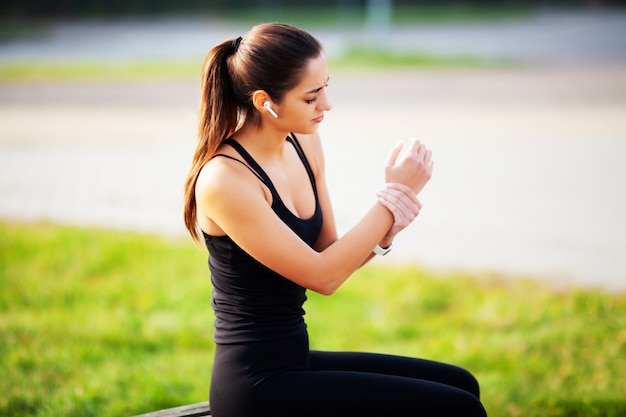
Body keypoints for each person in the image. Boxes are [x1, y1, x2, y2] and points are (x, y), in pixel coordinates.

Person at [183, 22, 487, 417]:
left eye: (326, 86)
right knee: (458, 409)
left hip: (295, 357)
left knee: (463, 384)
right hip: (257, 385)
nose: (326, 104)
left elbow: (330, 250)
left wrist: (388, 228)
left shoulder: (303, 141)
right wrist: (391, 200)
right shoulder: (225, 179)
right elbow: (323, 276)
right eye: (311, 97)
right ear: (264, 101)